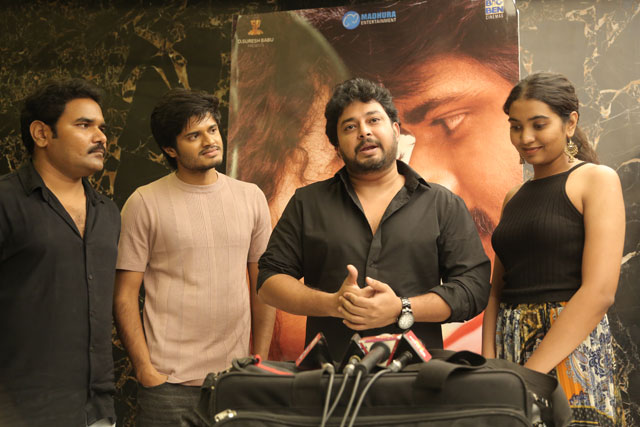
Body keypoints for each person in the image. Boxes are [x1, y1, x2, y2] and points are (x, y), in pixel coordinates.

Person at [258, 77, 491, 360]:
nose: (364, 132)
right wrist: (333, 304)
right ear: (336, 146)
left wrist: (402, 308)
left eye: (373, 120)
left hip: (416, 374)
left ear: (395, 130)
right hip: (330, 374)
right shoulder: (308, 203)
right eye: (350, 127)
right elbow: (269, 280)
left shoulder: (442, 204)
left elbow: (474, 288)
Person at [113, 89, 275, 426]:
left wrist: (258, 362)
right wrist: (145, 369)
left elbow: (264, 287)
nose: (209, 140)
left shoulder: (251, 198)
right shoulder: (144, 203)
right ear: (170, 149)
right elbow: (125, 295)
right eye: (193, 135)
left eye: (212, 129)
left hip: (235, 380)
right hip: (167, 385)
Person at [481, 72, 625, 425]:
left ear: (570, 122)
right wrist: (489, 365)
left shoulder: (596, 179)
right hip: (509, 348)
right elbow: (497, 290)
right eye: (516, 127)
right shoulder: (514, 197)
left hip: (571, 351)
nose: (525, 137)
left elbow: (599, 292)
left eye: (538, 125)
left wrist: (530, 374)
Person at [0, 79, 119, 427]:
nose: (101, 137)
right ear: (42, 134)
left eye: (102, 128)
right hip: (20, 410)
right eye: (84, 125)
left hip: (97, 409)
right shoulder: (5, 202)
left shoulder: (108, 212)